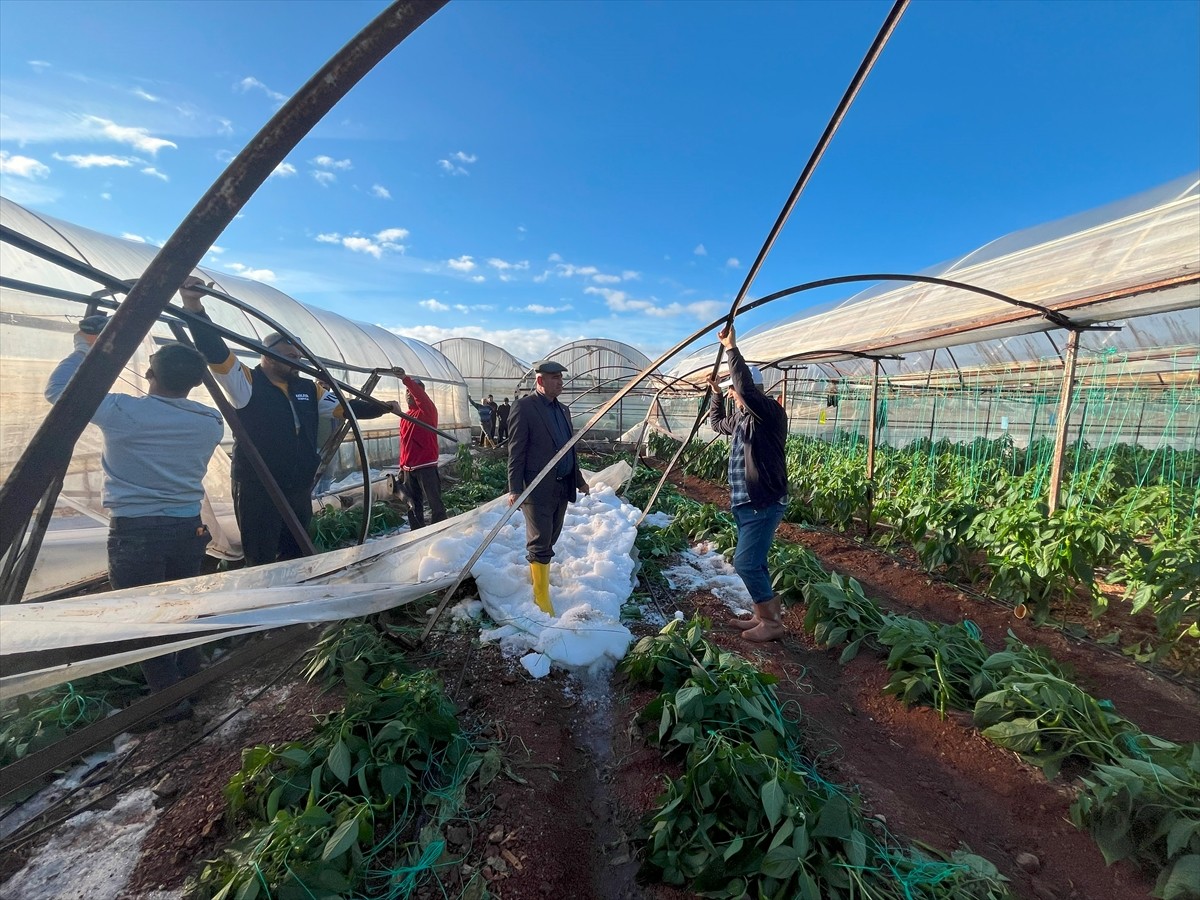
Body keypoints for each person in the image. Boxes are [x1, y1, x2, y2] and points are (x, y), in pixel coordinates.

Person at [45, 315, 223, 706]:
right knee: (183, 606)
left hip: (137, 533)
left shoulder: (123, 413)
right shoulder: (211, 421)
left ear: (147, 373)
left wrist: (85, 346)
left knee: (146, 618)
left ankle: (170, 702)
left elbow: (58, 390)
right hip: (187, 529)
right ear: (196, 383)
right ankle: (192, 676)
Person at [180, 278, 401, 566]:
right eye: (287, 356)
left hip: (297, 484)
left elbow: (346, 409)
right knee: (260, 552)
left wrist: (382, 408)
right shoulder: (247, 382)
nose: (295, 361)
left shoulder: (308, 389)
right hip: (259, 485)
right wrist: (194, 306)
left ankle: (296, 593)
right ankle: (264, 599)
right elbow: (215, 351)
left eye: (298, 356)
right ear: (267, 356)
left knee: (296, 547)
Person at [706, 325, 789, 642]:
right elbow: (716, 424)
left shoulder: (769, 412)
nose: (733, 395)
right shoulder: (741, 417)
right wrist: (716, 396)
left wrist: (731, 349)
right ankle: (763, 615)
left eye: (734, 391)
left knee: (745, 562)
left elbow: (747, 391)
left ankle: (772, 623)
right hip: (745, 503)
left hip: (763, 502)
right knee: (756, 562)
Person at [506, 360, 590, 615]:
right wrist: (514, 488)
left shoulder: (563, 410)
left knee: (552, 534)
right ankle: (541, 597)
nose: (559, 382)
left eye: (561, 378)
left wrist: (578, 479)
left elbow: (568, 449)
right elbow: (516, 451)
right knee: (541, 540)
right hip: (536, 487)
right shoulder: (525, 408)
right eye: (554, 378)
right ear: (540, 381)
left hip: (561, 485)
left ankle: (537, 573)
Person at [394, 368, 445, 530]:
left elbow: (421, 397)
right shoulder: (406, 417)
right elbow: (404, 444)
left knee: (434, 501)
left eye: (411, 392)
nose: (408, 394)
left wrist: (405, 379)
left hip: (426, 466)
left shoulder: (427, 412)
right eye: (406, 393)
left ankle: (441, 529)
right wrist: (402, 466)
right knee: (413, 503)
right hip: (409, 469)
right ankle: (417, 530)